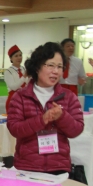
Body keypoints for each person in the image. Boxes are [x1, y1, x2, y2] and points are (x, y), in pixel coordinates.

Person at [7, 42, 84, 175]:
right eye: (51, 65)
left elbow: (77, 129)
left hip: (59, 167)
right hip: (27, 166)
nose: (56, 71)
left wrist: (62, 117)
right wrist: (41, 120)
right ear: (37, 67)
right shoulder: (21, 96)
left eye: (60, 67)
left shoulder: (68, 96)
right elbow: (14, 129)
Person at [4, 45, 29, 113]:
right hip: (13, 99)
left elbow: (27, 84)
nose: (19, 58)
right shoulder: (8, 72)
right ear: (11, 58)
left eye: (20, 55)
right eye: (16, 56)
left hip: (24, 99)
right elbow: (14, 87)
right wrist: (24, 76)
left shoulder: (24, 69)